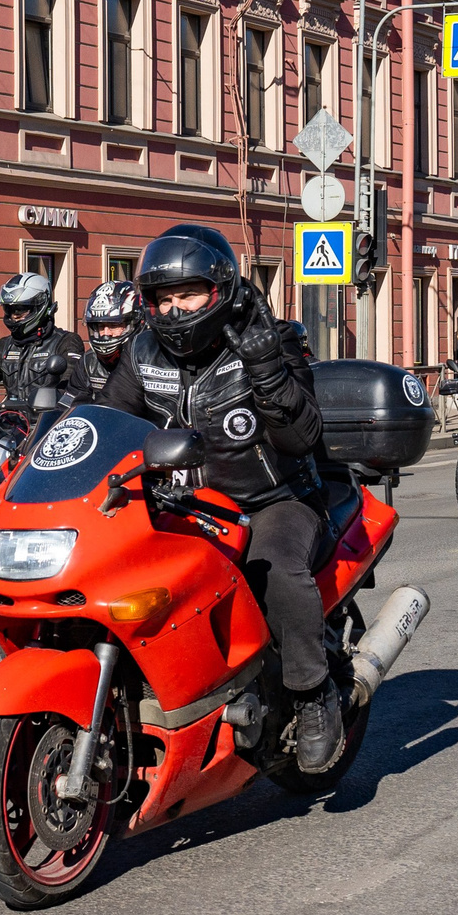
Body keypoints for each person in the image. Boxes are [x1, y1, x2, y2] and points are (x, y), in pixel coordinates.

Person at [95, 224, 343, 773]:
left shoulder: (271, 340)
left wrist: (268, 370)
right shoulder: (142, 351)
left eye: (189, 294)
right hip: (180, 504)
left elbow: (301, 437)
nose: (176, 311)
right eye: (163, 299)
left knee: (273, 568)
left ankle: (313, 695)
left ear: (220, 290)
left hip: (271, 500)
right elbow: (109, 420)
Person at [0, 272, 86, 412]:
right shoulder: (4, 346)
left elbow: (72, 387)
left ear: (39, 306)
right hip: (11, 423)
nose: (14, 316)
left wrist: (50, 402)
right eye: (9, 310)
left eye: (20, 310)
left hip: (46, 423)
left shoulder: (66, 342)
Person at [80, 279, 139, 400]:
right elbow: (69, 404)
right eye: (101, 326)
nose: (106, 333)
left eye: (113, 326)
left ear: (133, 324)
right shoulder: (89, 361)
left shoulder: (146, 362)